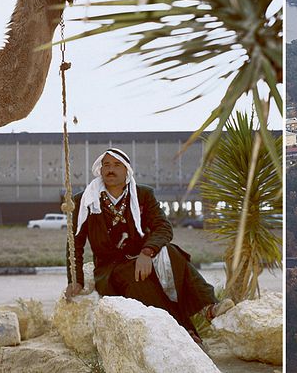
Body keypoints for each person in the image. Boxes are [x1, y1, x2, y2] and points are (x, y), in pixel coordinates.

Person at [64, 148, 234, 345]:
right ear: (100, 170)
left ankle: (208, 308)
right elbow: (74, 243)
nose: (111, 169)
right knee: (141, 283)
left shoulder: (143, 194)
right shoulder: (84, 199)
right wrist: (75, 280)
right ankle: (184, 332)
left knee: (171, 252)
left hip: (142, 258)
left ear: (127, 170)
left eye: (117, 165)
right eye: (106, 165)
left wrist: (147, 252)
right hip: (111, 269)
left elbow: (163, 227)